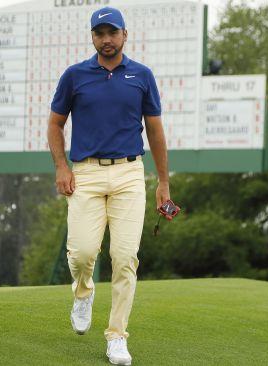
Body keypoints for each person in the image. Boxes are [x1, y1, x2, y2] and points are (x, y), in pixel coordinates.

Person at [47, 7, 171, 366]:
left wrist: (163, 181)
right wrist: (61, 167)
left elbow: (156, 132)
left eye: (112, 32)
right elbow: (55, 125)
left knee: (124, 258)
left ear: (124, 35)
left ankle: (117, 336)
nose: (106, 39)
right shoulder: (74, 76)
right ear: (92, 37)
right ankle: (83, 293)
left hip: (130, 174)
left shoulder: (142, 76)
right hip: (85, 173)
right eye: (100, 33)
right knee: (83, 253)